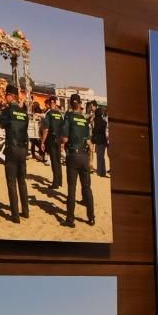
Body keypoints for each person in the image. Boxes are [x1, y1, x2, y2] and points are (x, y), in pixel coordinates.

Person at [0, 89, 32, 223]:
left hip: (11, 148)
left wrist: (1, 114)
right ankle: (26, 211)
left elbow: (0, 124)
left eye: (6, 95)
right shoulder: (24, 113)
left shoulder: (7, 111)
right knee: (22, 181)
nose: (5, 98)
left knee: (11, 182)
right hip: (23, 149)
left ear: (11, 96)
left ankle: (15, 215)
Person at [62, 94, 95, 227]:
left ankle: (70, 220)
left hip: (73, 156)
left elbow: (64, 138)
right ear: (80, 104)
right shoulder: (84, 120)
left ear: (70, 104)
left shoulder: (69, 117)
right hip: (84, 156)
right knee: (87, 188)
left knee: (72, 189)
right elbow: (89, 143)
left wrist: (60, 140)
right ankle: (91, 217)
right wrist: (91, 160)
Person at [42, 96, 67, 190]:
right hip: (59, 139)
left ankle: (55, 183)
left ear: (49, 103)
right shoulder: (59, 114)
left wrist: (43, 141)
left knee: (54, 161)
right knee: (58, 161)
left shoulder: (49, 114)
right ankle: (59, 181)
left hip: (52, 139)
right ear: (55, 103)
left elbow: (46, 129)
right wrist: (62, 143)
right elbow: (63, 128)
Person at [90, 100, 109, 178]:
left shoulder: (97, 121)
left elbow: (95, 131)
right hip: (104, 141)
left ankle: (99, 172)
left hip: (99, 141)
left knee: (99, 157)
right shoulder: (104, 122)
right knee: (102, 157)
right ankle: (103, 172)